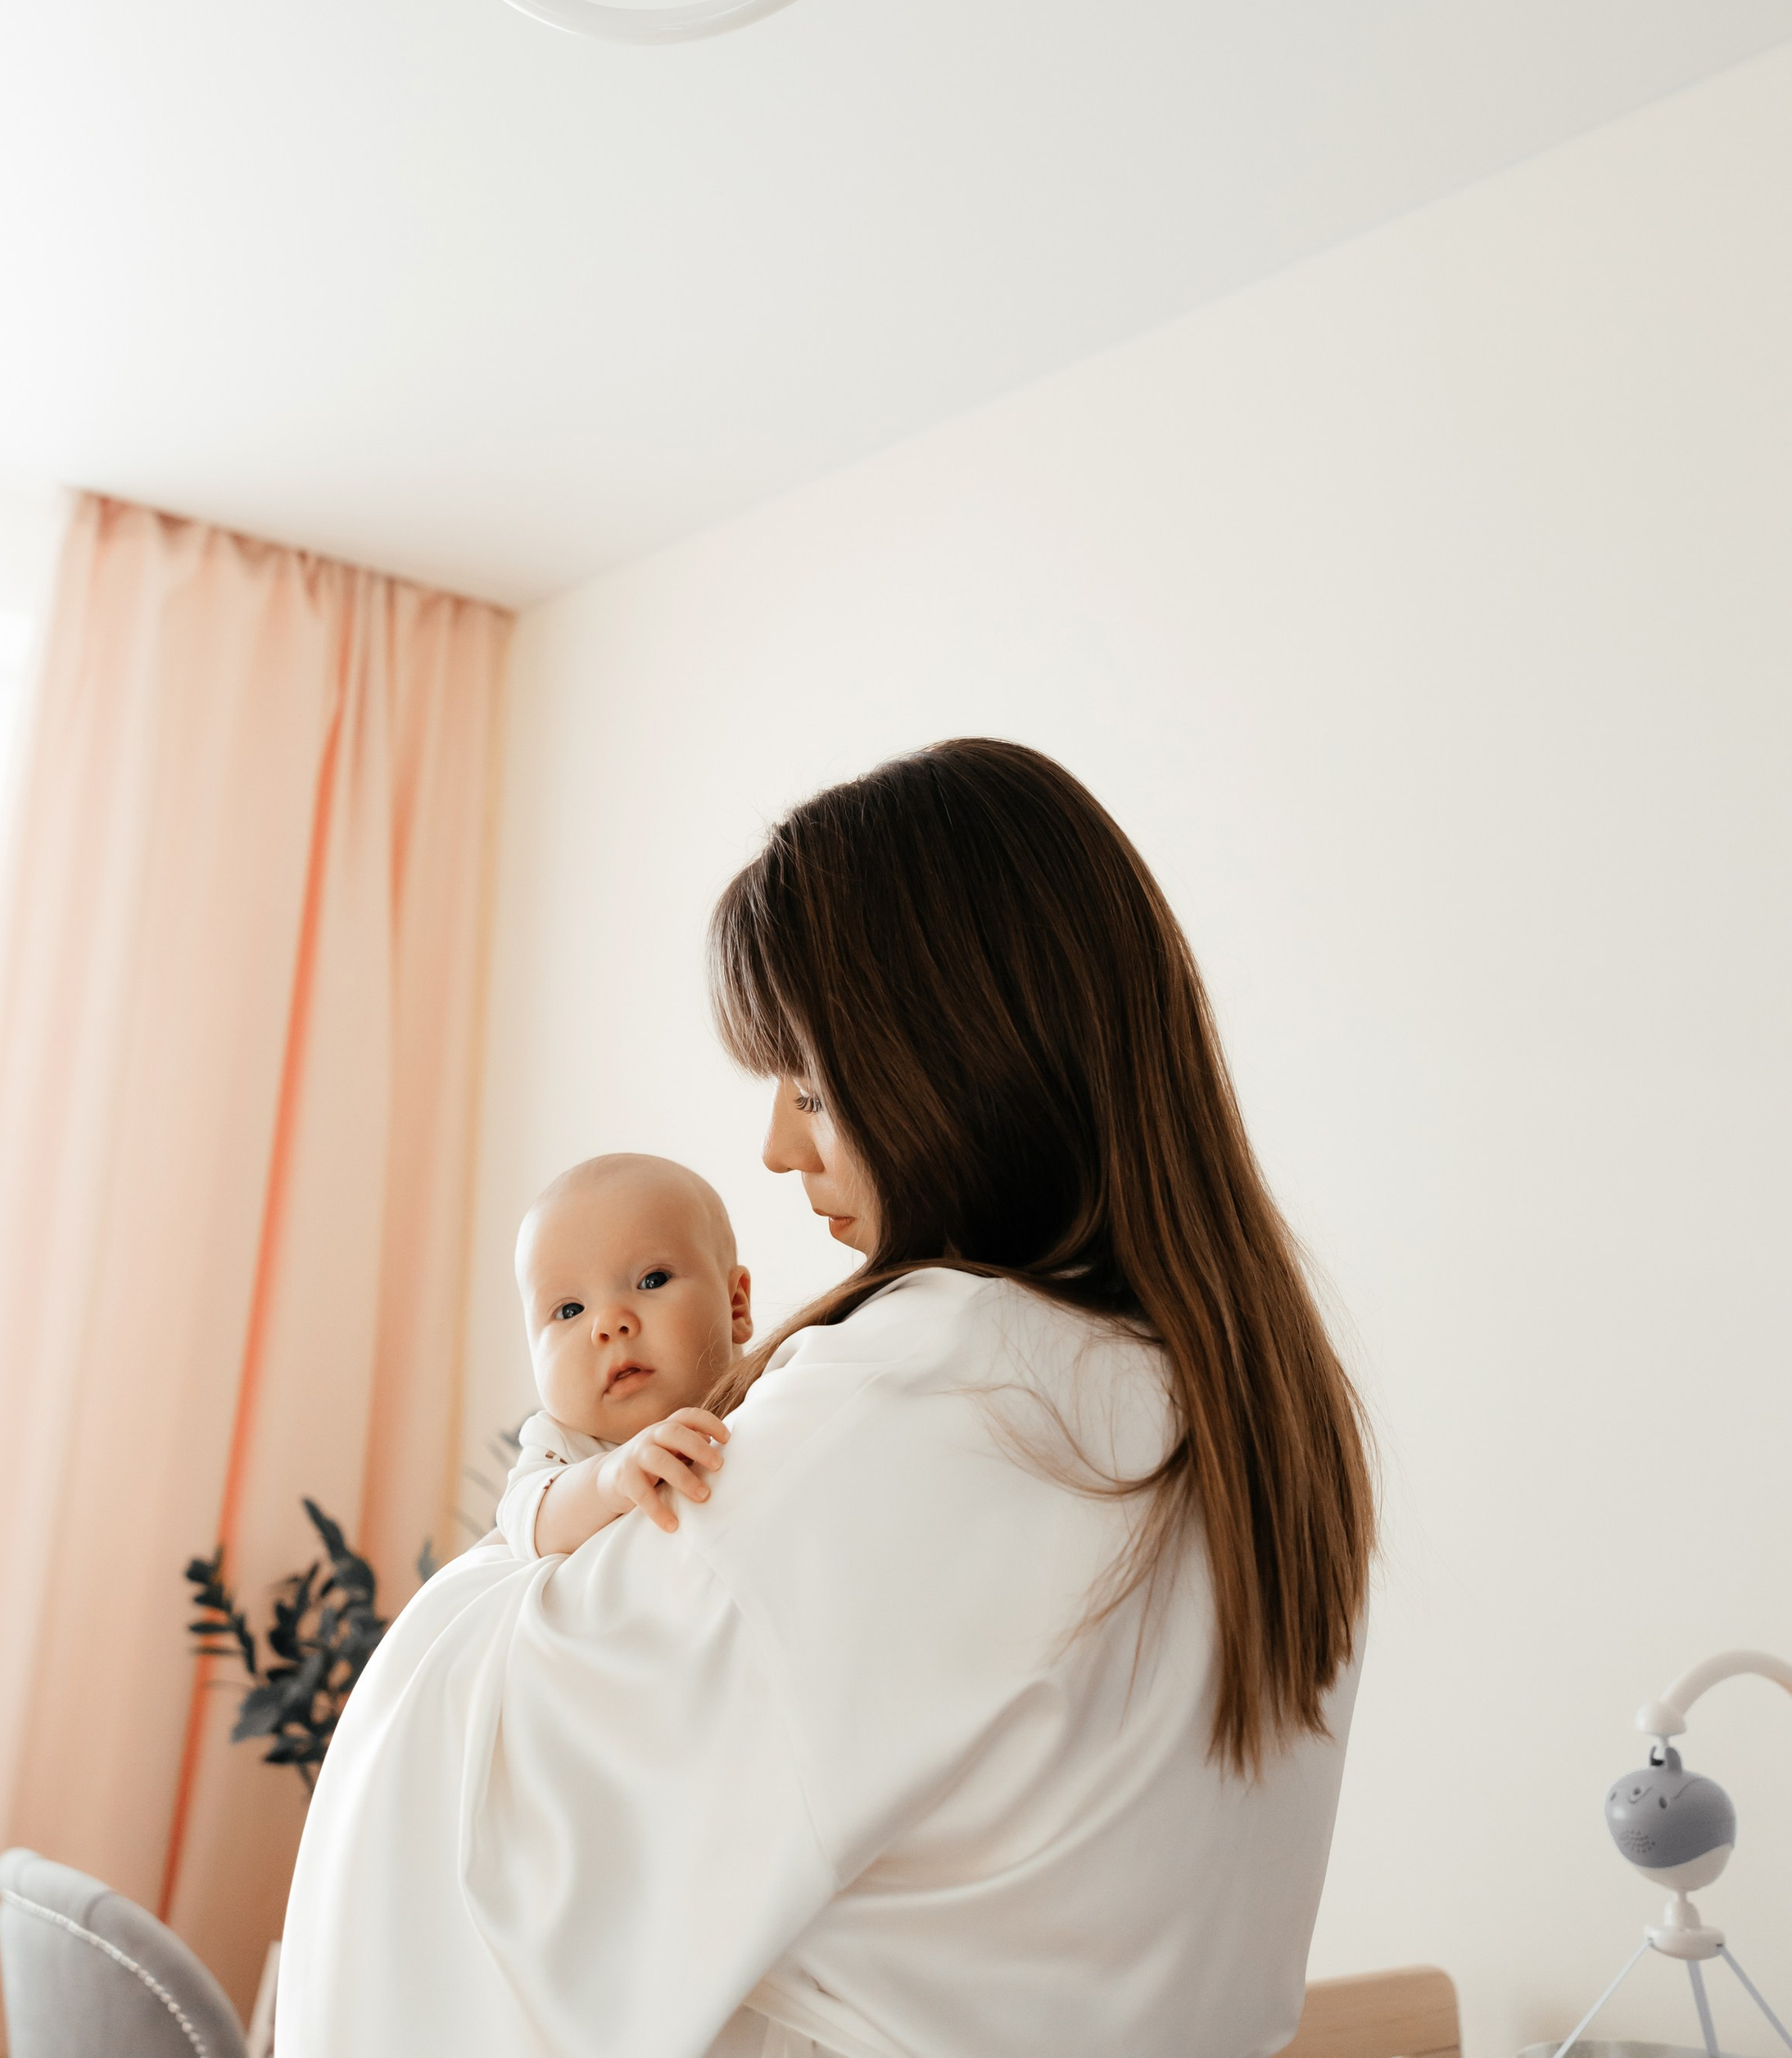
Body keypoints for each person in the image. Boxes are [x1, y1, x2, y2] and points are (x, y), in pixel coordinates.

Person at [279, 740, 1375, 2058]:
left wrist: (545, 1528)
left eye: (808, 1082)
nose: (777, 1146)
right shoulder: (1259, 1404)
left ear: (961, 1057)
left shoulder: (946, 1377)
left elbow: (509, 1760)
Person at [493, 1152, 748, 1559]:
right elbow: (527, 1523)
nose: (609, 1324)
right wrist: (604, 1481)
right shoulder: (562, 1444)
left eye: (651, 1281)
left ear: (735, 1307)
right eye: (570, 1310)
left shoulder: (767, 1393)